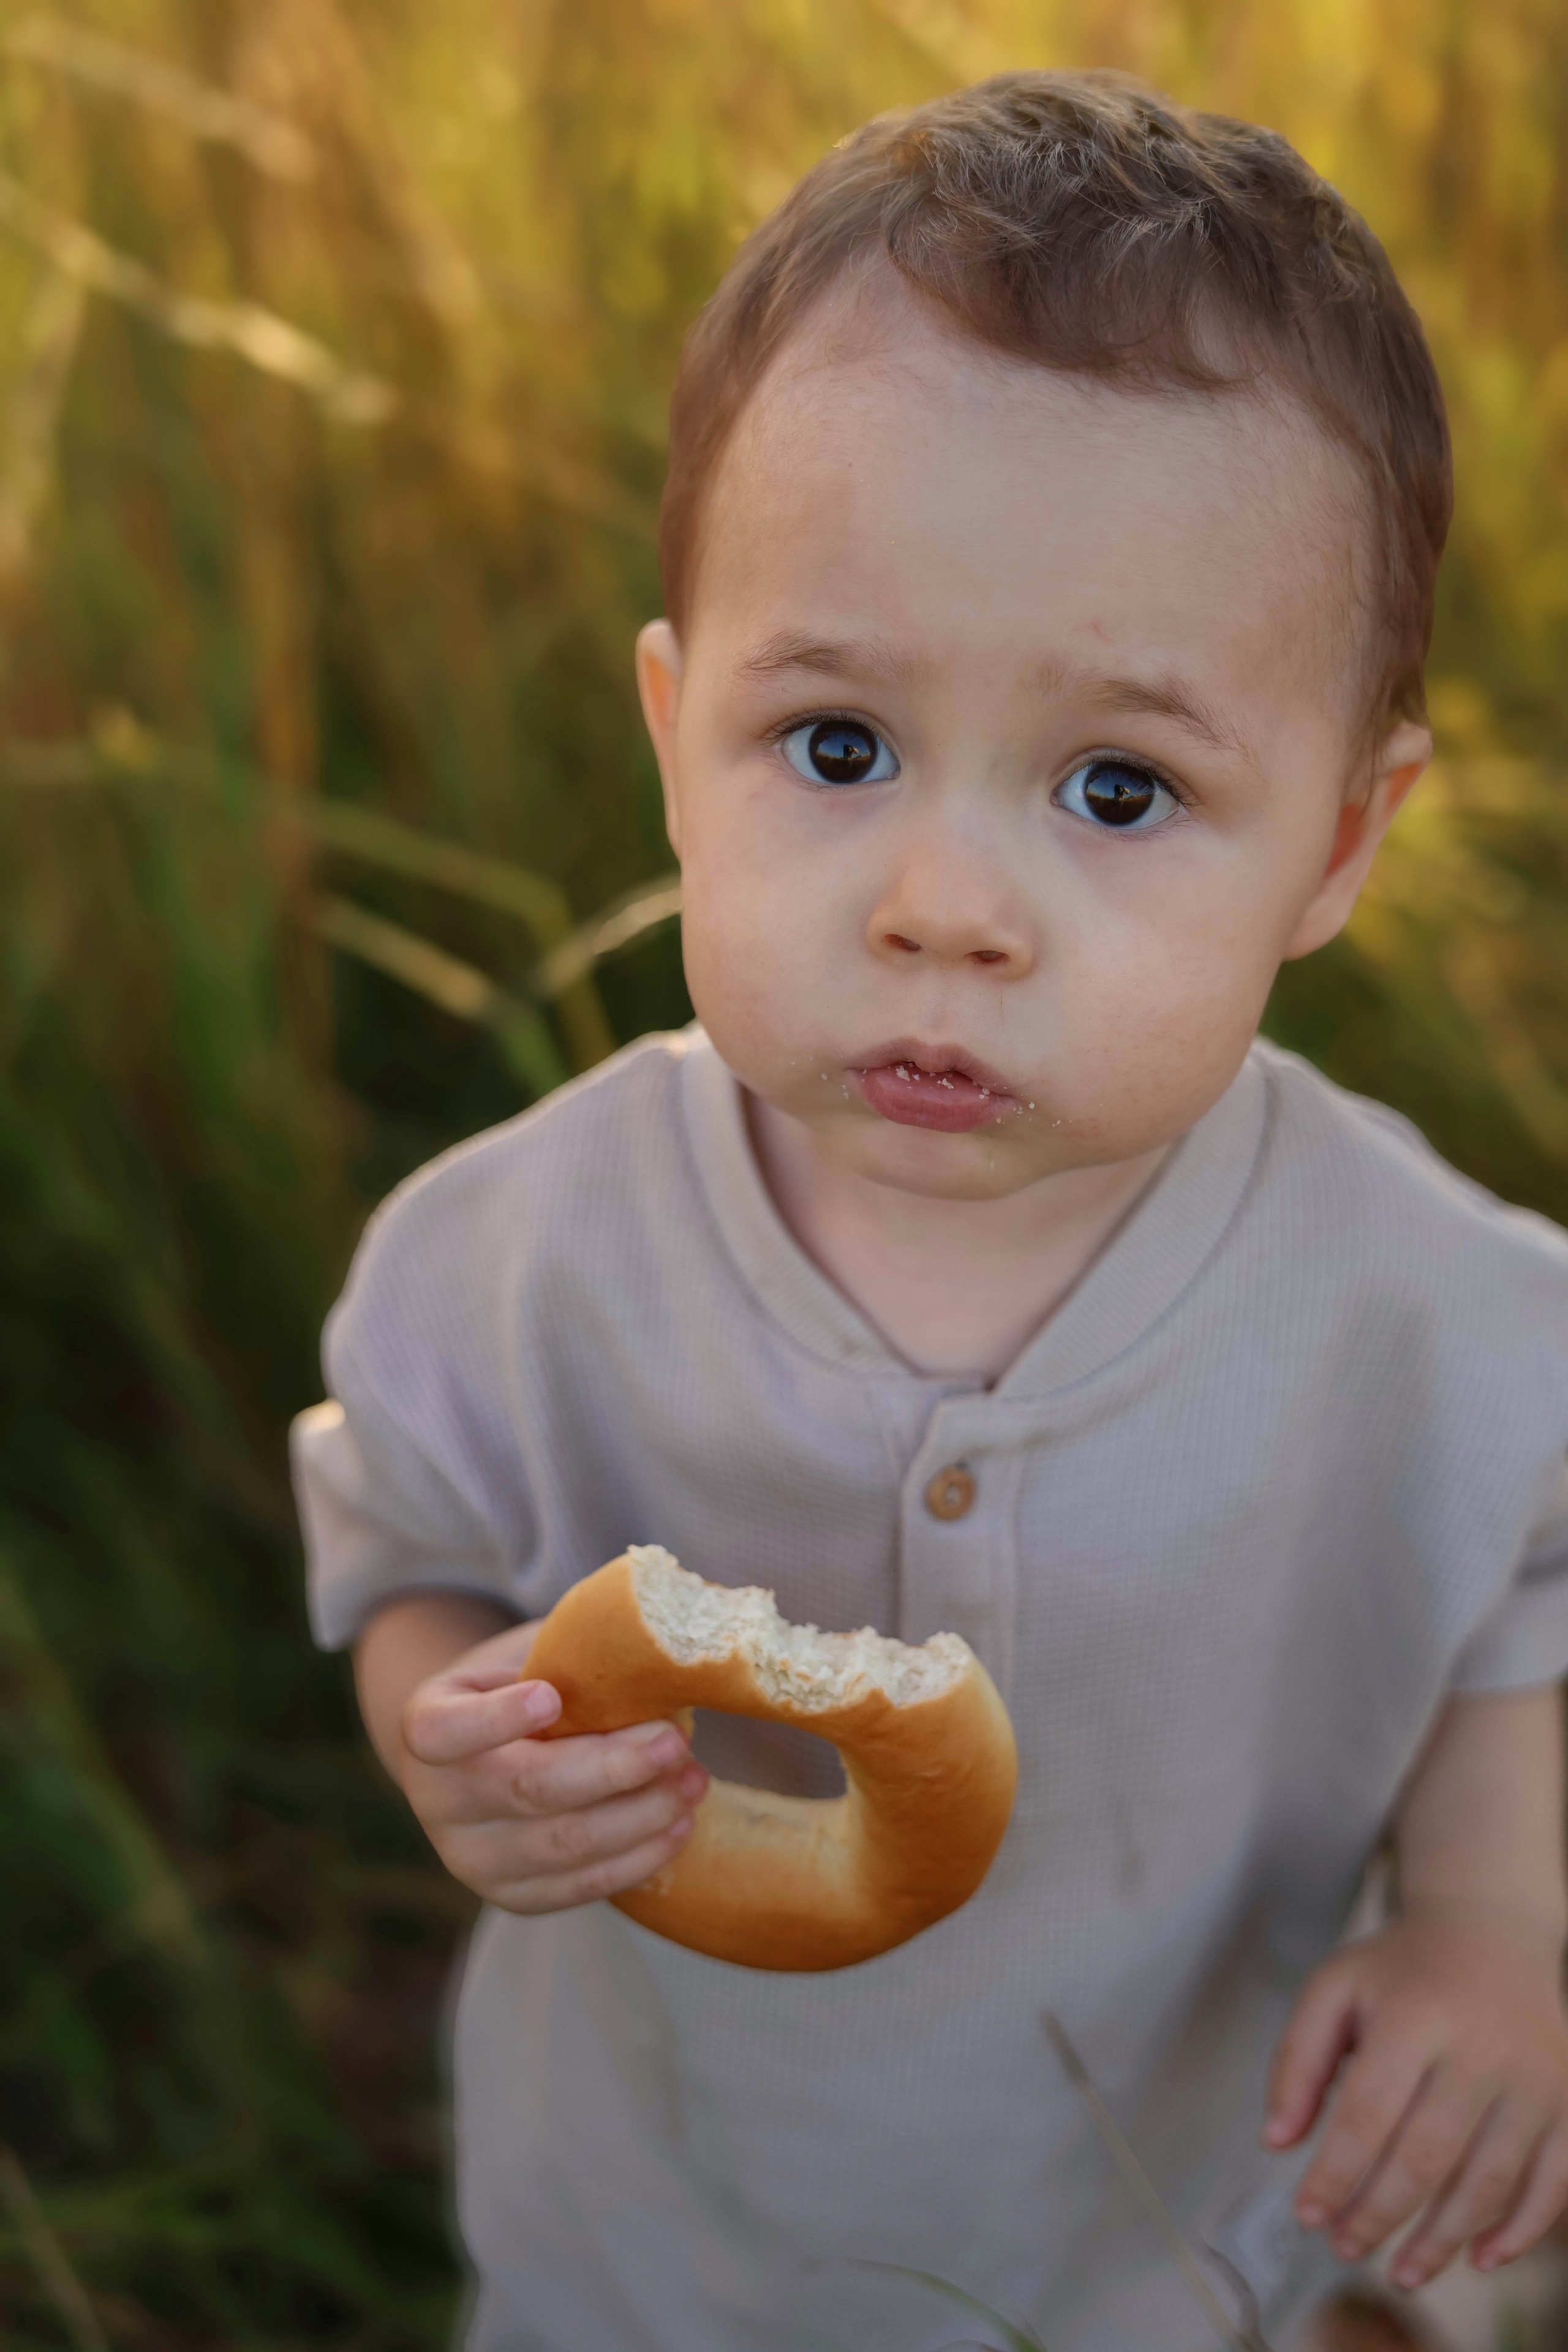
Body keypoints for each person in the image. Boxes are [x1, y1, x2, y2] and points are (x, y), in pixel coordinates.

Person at [291, 71, 1568, 2352]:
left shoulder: (1428, 1308)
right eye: (840, 746)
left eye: (1119, 787)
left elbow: (1518, 1579)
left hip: (1181, 2224)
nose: (944, 905)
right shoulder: (520, 1255)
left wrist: (1492, 1916)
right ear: (677, 740)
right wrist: (445, 1734)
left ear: (1337, 847)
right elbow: (414, 1545)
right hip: (664, 2245)